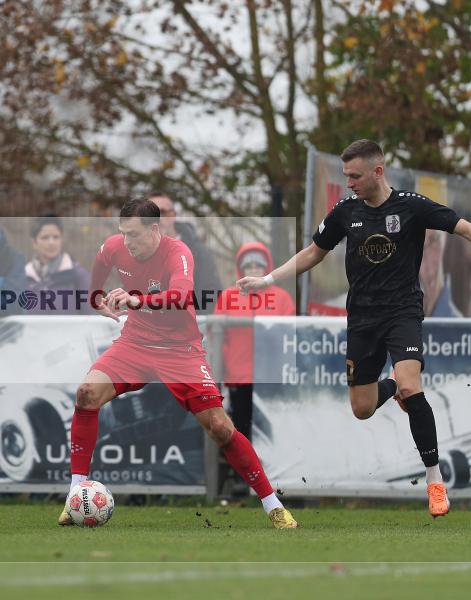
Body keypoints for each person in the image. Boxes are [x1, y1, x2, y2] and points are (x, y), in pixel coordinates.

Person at [238, 140, 471, 518]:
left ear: (377, 172)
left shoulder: (411, 206)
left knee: (410, 385)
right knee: (363, 408)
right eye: (345, 175)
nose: (348, 182)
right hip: (362, 320)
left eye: (354, 176)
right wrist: (269, 279)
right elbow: (313, 253)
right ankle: (394, 391)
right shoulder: (344, 212)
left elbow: (464, 227)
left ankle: (435, 481)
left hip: (402, 313)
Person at [59, 198, 297, 529]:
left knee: (220, 427)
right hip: (135, 343)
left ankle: (273, 506)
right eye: (123, 234)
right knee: (86, 393)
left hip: (180, 350)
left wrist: (135, 299)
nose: (127, 242)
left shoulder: (178, 252)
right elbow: (97, 275)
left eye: (134, 235)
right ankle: (75, 496)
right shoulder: (115, 247)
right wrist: (96, 299)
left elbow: (181, 296)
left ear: (154, 230)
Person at [213, 242, 294, 495]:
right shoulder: (227, 296)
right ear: (240, 268)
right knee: (242, 429)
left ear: (267, 267)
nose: (253, 268)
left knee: (273, 430)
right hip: (239, 376)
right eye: (248, 264)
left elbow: (289, 335)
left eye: (258, 264)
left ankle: (278, 481)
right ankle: (243, 480)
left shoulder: (281, 298)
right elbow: (217, 337)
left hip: (271, 377)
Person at [147, 192, 223, 313]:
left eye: (162, 212)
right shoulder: (135, 251)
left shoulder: (198, 252)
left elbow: (211, 293)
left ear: (173, 215)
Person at [24, 214, 91, 313]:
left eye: (56, 237)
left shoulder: (78, 275)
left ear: (61, 240)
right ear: (34, 242)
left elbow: (91, 317)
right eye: (45, 237)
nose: (51, 242)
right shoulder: (23, 277)